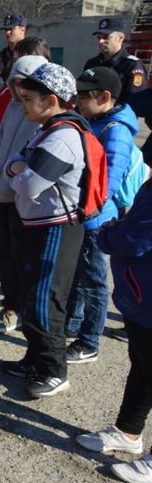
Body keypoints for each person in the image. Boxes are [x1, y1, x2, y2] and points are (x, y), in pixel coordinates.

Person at [1, 62, 86, 398]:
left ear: (51, 100)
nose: (21, 104)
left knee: (44, 300)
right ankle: (35, 360)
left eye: (27, 98)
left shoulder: (62, 137)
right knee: (31, 295)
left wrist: (17, 170)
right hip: (38, 225)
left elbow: (29, 184)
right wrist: (17, 169)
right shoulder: (45, 130)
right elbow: (15, 165)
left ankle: (53, 370)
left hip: (57, 229)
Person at [76, 179, 152, 482]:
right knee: (143, 366)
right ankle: (128, 431)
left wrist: (107, 234)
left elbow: (135, 238)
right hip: (142, 295)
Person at [64, 67, 138, 363]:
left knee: (94, 281)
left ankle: (89, 341)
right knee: (78, 274)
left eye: (84, 96)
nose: (78, 101)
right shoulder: (96, 120)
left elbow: (107, 183)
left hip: (96, 219)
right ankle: (72, 321)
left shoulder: (115, 131)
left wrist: (84, 212)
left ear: (105, 97)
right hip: (84, 212)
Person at [0, 52, 48, 334]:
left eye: (26, 83)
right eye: (16, 82)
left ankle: (22, 310)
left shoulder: (43, 115)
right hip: (0, 192)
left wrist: (16, 182)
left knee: (23, 258)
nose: (20, 89)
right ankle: (10, 306)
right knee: (6, 254)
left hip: (22, 197)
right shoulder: (11, 106)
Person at [84, 18, 147, 105]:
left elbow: (134, 102)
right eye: (99, 38)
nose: (101, 41)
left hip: (117, 117)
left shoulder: (132, 65)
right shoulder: (92, 64)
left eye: (106, 37)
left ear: (120, 38)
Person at [0, 13, 27, 81]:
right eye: (6, 29)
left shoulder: (31, 53)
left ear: (22, 30)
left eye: (11, 29)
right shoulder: (2, 56)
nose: (7, 32)